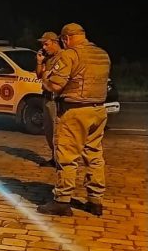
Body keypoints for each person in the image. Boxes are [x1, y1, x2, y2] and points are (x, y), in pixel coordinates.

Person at [38, 23, 110, 217]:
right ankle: (95, 200)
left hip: (75, 111)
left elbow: (55, 85)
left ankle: (62, 200)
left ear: (66, 39)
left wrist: (45, 78)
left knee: (67, 156)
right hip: (98, 110)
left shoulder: (70, 55)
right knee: (94, 155)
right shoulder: (102, 54)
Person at [35, 31, 62, 167]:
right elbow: (39, 75)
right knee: (49, 131)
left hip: (56, 100)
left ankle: (60, 160)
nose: (44, 47)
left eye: (46, 44)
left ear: (55, 42)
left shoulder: (63, 57)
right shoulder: (48, 58)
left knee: (57, 132)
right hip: (46, 97)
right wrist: (39, 62)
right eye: (42, 45)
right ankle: (54, 157)